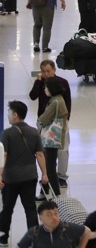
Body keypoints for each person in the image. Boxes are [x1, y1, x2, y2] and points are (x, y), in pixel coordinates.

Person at [0, 101, 48, 248]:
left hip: (11, 178)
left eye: (9, 112)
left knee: (7, 208)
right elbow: (39, 154)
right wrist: (44, 174)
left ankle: (3, 239)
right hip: (30, 176)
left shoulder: (7, 133)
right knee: (30, 208)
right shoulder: (34, 132)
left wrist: (0, 176)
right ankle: (34, 239)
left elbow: (4, 155)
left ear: (15, 115)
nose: (8, 115)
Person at [29, 61, 71, 190]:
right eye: (44, 71)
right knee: (45, 151)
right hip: (44, 122)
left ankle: (62, 177)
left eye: (49, 71)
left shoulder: (62, 83)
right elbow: (32, 96)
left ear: (54, 70)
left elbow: (68, 102)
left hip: (59, 122)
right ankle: (48, 175)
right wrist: (37, 82)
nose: (46, 74)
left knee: (62, 150)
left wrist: (66, 119)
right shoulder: (41, 83)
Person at [37, 78, 69, 197]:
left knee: (49, 168)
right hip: (55, 138)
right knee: (48, 166)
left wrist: (38, 125)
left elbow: (43, 119)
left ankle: (57, 195)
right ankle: (43, 193)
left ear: (51, 88)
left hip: (51, 139)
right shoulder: (58, 99)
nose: (45, 89)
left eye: (46, 87)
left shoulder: (55, 102)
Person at [16, 199, 91, 248]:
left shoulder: (67, 228)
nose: (54, 217)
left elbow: (87, 231)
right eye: (49, 215)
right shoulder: (34, 232)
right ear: (41, 218)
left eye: (56, 213)